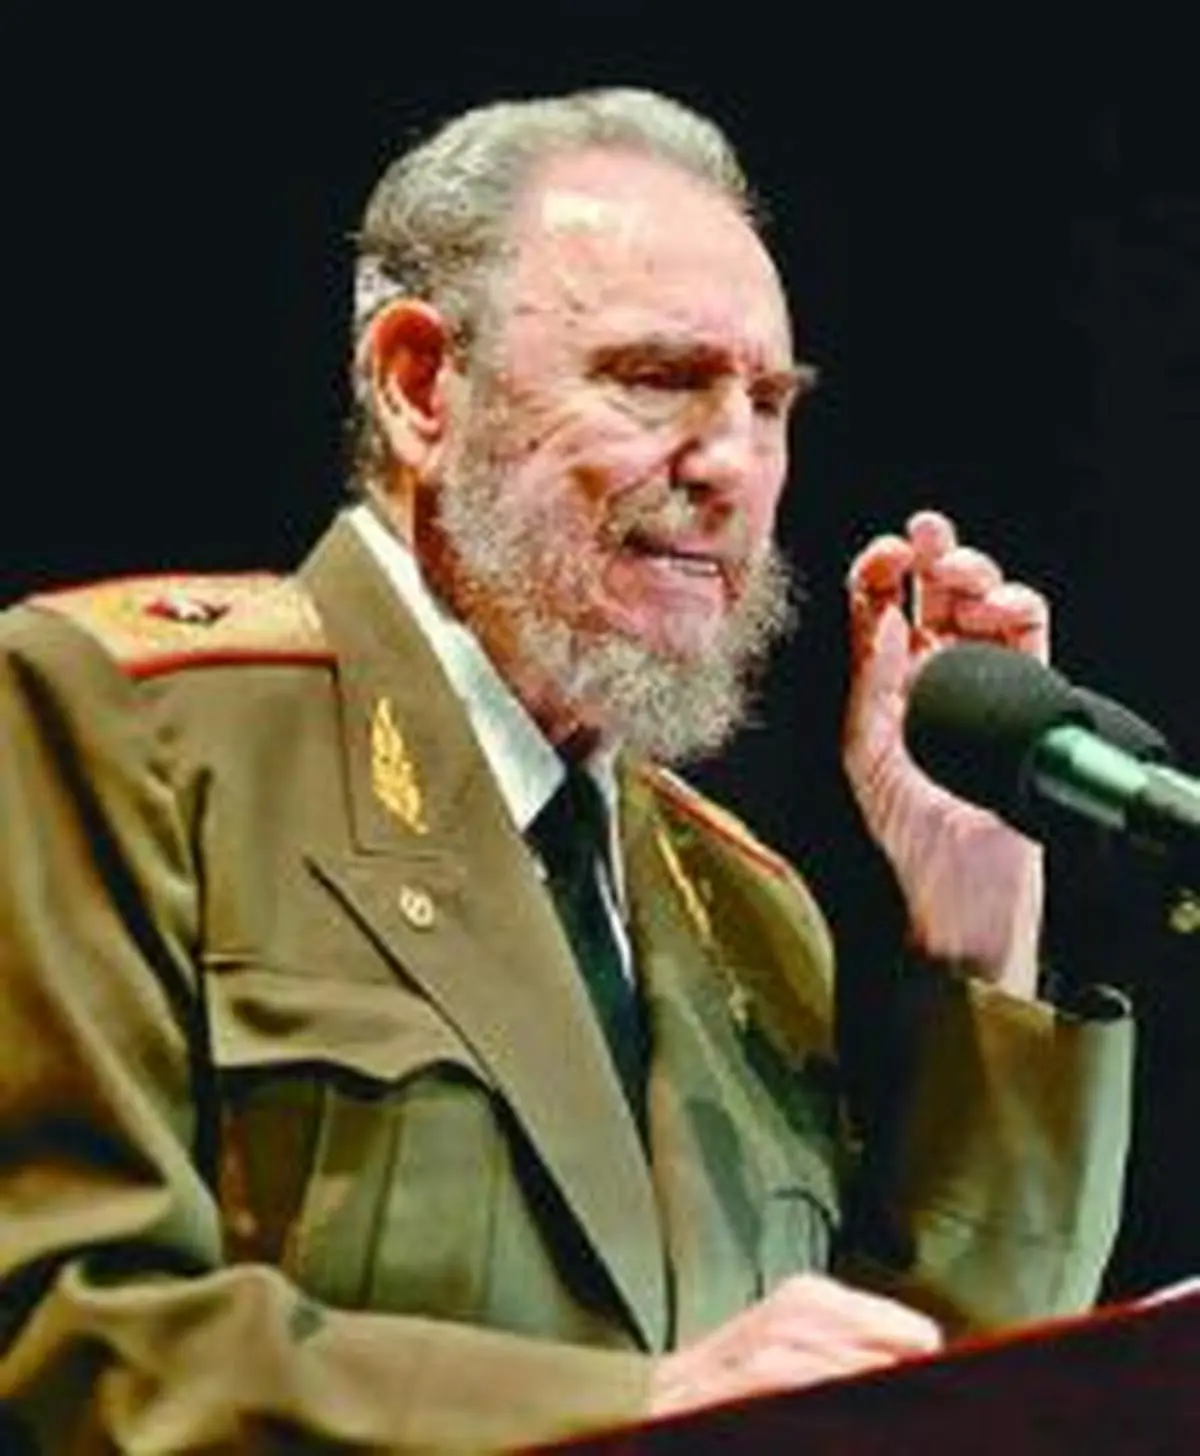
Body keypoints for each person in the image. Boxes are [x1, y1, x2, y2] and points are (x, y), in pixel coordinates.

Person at [0, 89, 1131, 1452]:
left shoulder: (743, 906)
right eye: (657, 378)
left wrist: (979, 929)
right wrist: (637, 1412)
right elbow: (63, 1337)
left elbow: (914, 1414)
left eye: (769, 402)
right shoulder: (115, 723)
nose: (734, 465)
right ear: (420, 386)